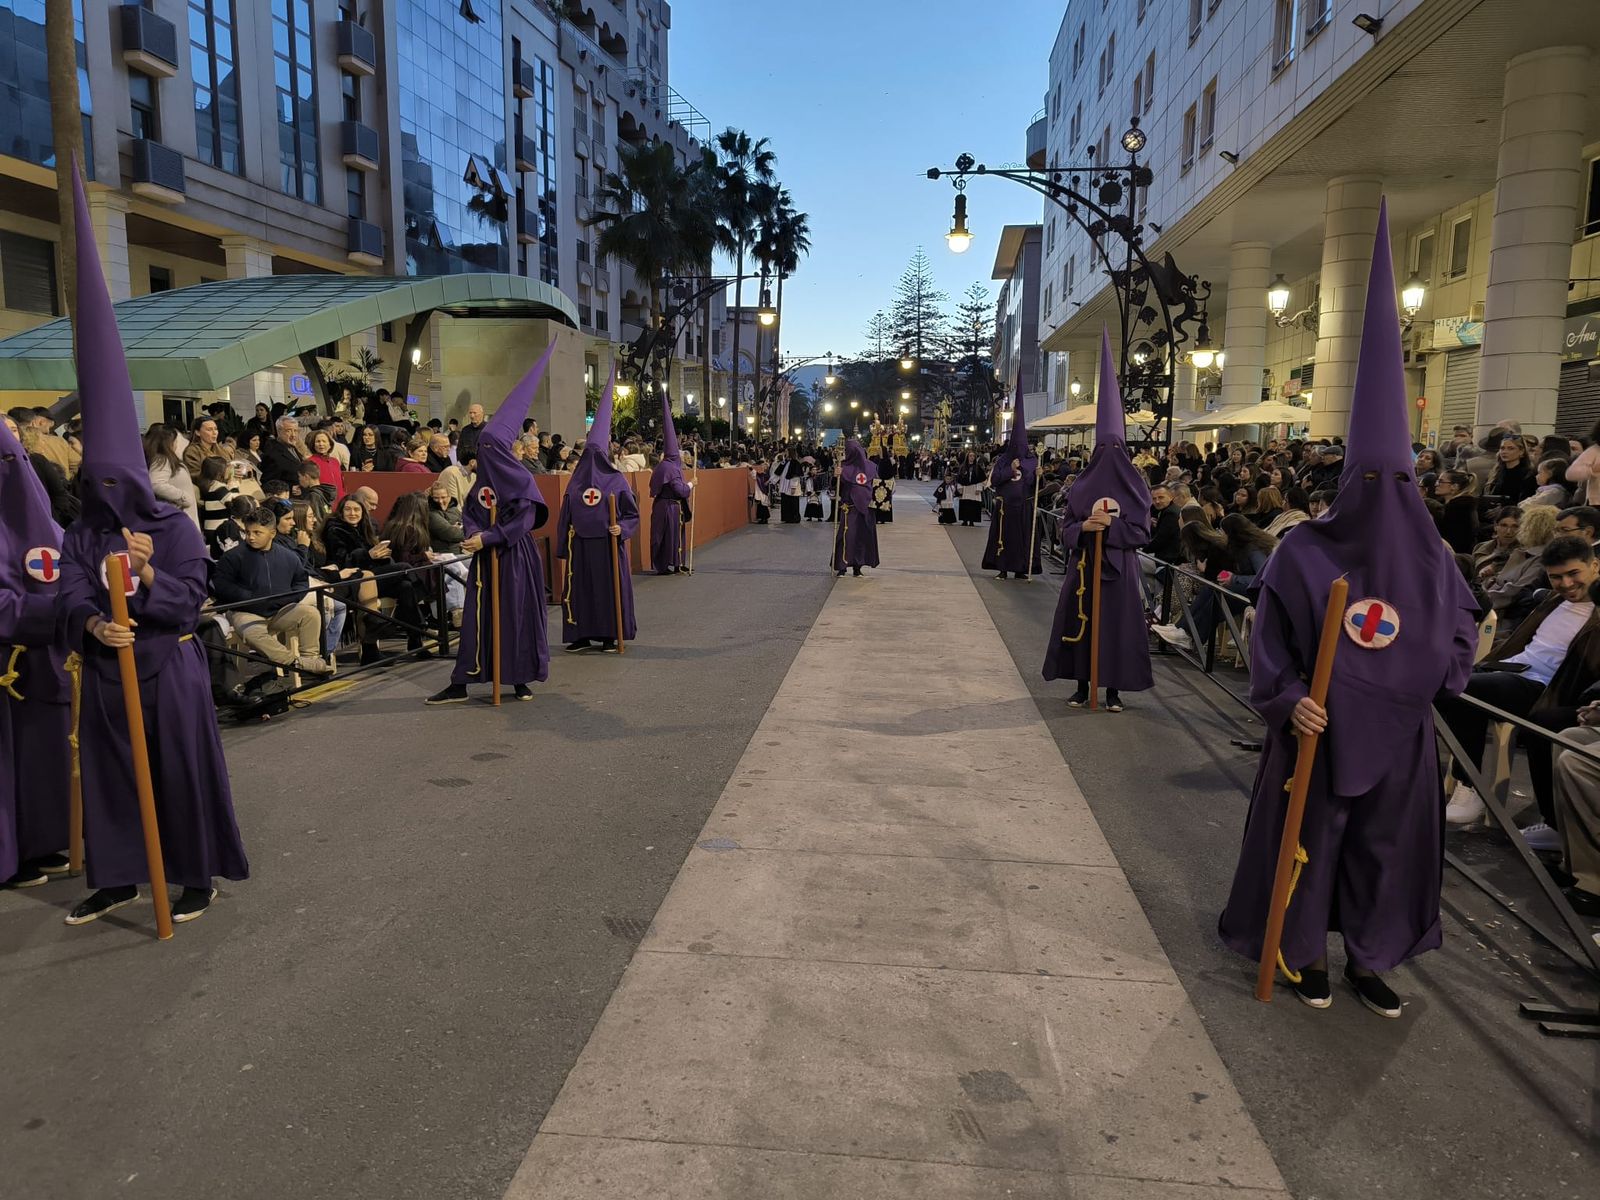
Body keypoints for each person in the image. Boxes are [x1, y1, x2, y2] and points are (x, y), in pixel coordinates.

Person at [1217, 204, 1478, 1017]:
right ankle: (1301, 952)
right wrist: (1291, 700)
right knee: (1314, 841)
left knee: (1384, 855)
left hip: (1400, 739)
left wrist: (1434, 675)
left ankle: (1372, 956)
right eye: (1372, 481)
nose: (1385, 497)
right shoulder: (1304, 551)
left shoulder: (1435, 559)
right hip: (1319, 734)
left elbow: (1461, 633)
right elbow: (1269, 640)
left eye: (1400, 483)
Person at [56, 169, 248, 926]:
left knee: (177, 773)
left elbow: (190, 596)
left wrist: (141, 578)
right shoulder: (81, 533)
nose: (105, 492)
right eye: (93, 480)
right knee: (111, 779)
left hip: (168, 670)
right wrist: (90, 622)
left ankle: (193, 873)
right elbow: (68, 590)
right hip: (107, 673)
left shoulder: (172, 529)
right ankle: (117, 876)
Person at [1437, 535, 1600, 847]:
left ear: (1594, 566)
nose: (1566, 583)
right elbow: (1524, 642)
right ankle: (1457, 783)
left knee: (1461, 689)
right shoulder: (1554, 601)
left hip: (1545, 687)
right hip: (1514, 668)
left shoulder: (1596, 611)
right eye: (1556, 577)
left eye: (1573, 573)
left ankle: (1470, 786)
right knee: (1442, 678)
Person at [1043, 332, 1153, 713]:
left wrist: (1112, 528)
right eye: (1102, 448)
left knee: (1116, 630)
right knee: (1082, 623)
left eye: (1114, 448)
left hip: (1119, 572)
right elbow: (1065, 528)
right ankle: (1081, 684)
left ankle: (1113, 691)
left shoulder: (1135, 489)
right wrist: (1083, 529)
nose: (1108, 455)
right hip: (1085, 567)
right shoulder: (1082, 485)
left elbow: (1142, 532)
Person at [0, 418, 72, 889]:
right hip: (8, 659)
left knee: (41, 758)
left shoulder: (39, 516)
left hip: (41, 661)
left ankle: (42, 840)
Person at [557, 369, 638, 652]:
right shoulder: (576, 482)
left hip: (606, 545)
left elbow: (632, 514)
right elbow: (565, 515)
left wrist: (621, 528)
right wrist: (563, 547)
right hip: (580, 546)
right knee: (580, 591)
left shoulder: (617, 481)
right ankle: (580, 634)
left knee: (606, 592)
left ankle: (608, 635)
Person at [211, 509, 334, 675]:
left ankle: (310, 659)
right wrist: (249, 597)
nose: (251, 537)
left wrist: (289, 597)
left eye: (257, 533)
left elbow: (301, 581)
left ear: (272, 533)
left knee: (311, 614)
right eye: (247, 532)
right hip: (245, 611)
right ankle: (299, 664)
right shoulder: (232, 556)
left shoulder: (288, 556)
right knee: (252, 633)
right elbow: (221, 585)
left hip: (280, 610)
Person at [981, 389, 1042, 581]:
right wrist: (1010, 469)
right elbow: (995, 480)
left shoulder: (1031, 461)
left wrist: (1039, 476)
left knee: (1021, 539)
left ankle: (1020, 569)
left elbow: (1034, 485)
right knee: (1004, 538)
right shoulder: (1003, 461)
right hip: (1005, 508)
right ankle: (1003, 568)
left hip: (1023, 507)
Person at [649, 392, 694, 574]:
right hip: (670, 508)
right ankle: (669, 563)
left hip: (662, 505)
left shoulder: (661, 466)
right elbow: (679, 490)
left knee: (665, 536)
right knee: (670, 537)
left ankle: (674, 563)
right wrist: (691, 484)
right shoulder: (672, 468)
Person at [830, 439, 880, 578]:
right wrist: (835, 476)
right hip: (849, 508)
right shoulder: (842, 467)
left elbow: (877, 485)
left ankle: (858, 566)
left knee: (861, 538)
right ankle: (842, 566)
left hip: (866, 508)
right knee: (847, 537)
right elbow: (835, 486)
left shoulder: (871, 467)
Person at [144, 423, 201, 530]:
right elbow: (156, 483)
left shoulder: (164, 459)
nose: (177, 443)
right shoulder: (162, 459)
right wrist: (183, 497)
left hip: (183, 520)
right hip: (180, 521)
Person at [261, 414, 307, 491]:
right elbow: (268, 483)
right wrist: (290, 487)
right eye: (288, 431)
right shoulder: (272, 454)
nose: (293, 435)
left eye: (295, 431)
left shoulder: (294, 448)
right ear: (279, 431)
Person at [182, 416, 230, 483]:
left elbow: (229, 464)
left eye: (216, 429)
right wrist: (223, 475)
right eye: (209, 430)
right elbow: (195, 475)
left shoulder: (220, 449)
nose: (214, 433)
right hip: (207, 486)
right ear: (198, 432)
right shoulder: (191, 451)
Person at [306, 428, 345, 495]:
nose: (321, 444)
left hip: (340, 498)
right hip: (322, 498)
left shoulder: (335, 461)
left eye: (324, 441)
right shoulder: (309, 462)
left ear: (330, 445)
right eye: (318, 441)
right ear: (313, 445)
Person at [956, 450, 985, 526]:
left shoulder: (977, 467)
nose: (972, 457)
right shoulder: (963, 467)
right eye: (970, 456)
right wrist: (960, 488)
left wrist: (979, 488)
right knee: (965, 504)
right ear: (967, 457)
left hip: (974, 488)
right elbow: (959, 478)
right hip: (965, 488)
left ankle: (972, 520)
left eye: (973, 456)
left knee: (973, 505)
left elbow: (981, 479)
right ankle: (965, 520)